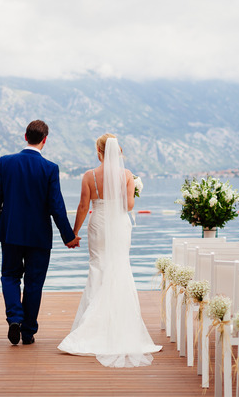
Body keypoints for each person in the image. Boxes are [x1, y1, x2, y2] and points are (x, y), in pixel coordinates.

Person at [57, 133, 162, 367]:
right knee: (120, 267)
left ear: (99, 152)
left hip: (98, 224)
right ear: (119, 152)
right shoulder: (126, 175)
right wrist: (131, 189)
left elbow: (84, 206)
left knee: (98, 268)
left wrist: (73, 233)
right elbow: (129, 205)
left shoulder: (89, 176)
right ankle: (119, 326)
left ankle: (91, 327)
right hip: (119, 225)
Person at [0, 120, 81, 346]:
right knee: (34, 283)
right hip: (39, 236)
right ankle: (28, 332)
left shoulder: (5, 162)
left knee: (9, 276)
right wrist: (69, 236)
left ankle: (14, 318)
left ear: (25, 136)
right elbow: (56, 206)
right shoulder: (50, 168)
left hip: (10, 232)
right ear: (45, 140)